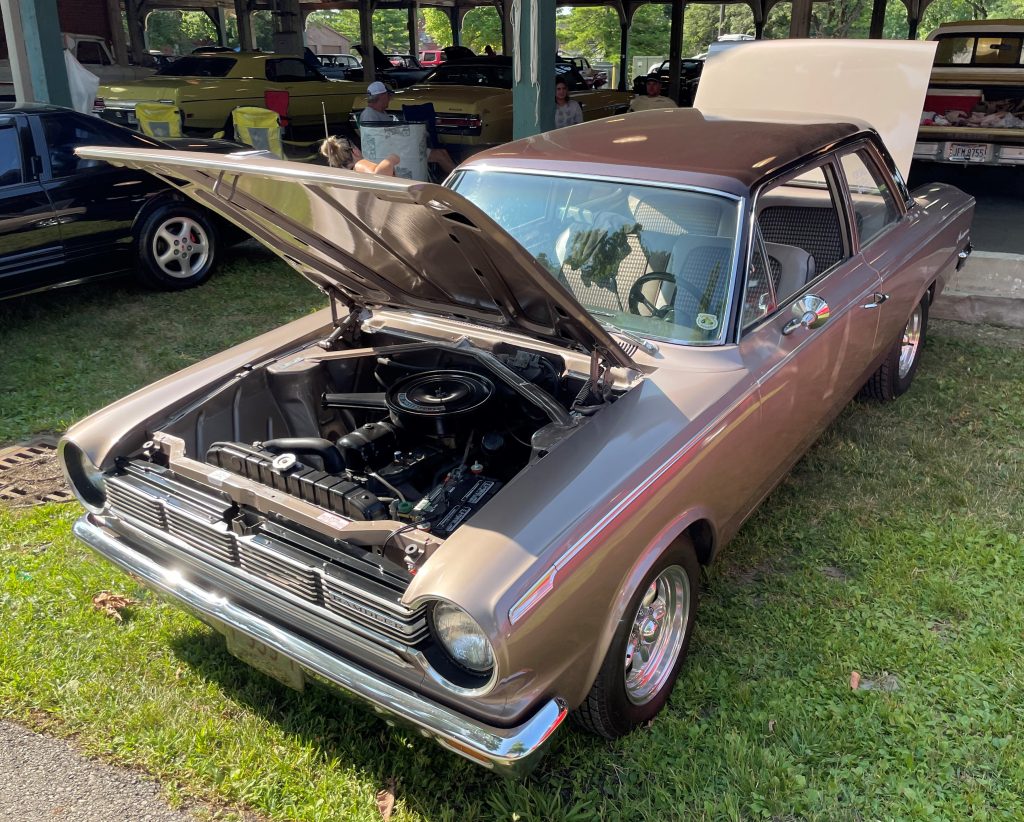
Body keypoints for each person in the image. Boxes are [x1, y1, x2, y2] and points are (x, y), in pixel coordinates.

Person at [320, 135, 398, 176]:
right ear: (354, 151)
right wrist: (391, 159)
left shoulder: (344, 175)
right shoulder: (359, 165)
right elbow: (379, 175)